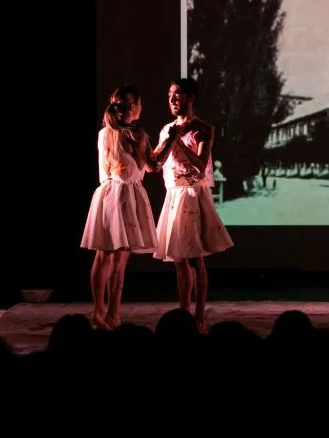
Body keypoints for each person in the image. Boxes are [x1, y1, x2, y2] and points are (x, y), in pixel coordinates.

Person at [81, 85, 171, 329]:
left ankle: (104, 312)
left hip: (108, 192)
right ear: (132, 107)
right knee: (117, 261)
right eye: (139, 104)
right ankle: (110, 313)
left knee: (105, 257)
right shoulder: (135, 134)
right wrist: (170, 140)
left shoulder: (105, 133)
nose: (141, 108)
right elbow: (153, 166)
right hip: (124, 195)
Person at [154, 77, 234, 331]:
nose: (172, 100)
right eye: (169, 95)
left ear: (190, 98)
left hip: (193, 194)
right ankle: (182, 313)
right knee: (178, 258)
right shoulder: (167, 129)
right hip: (174, 195)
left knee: (196, 258)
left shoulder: (203, 128)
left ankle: (198, 315)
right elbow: (155, 160)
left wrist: (177, 141)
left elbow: (200, 165)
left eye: (177, 94)